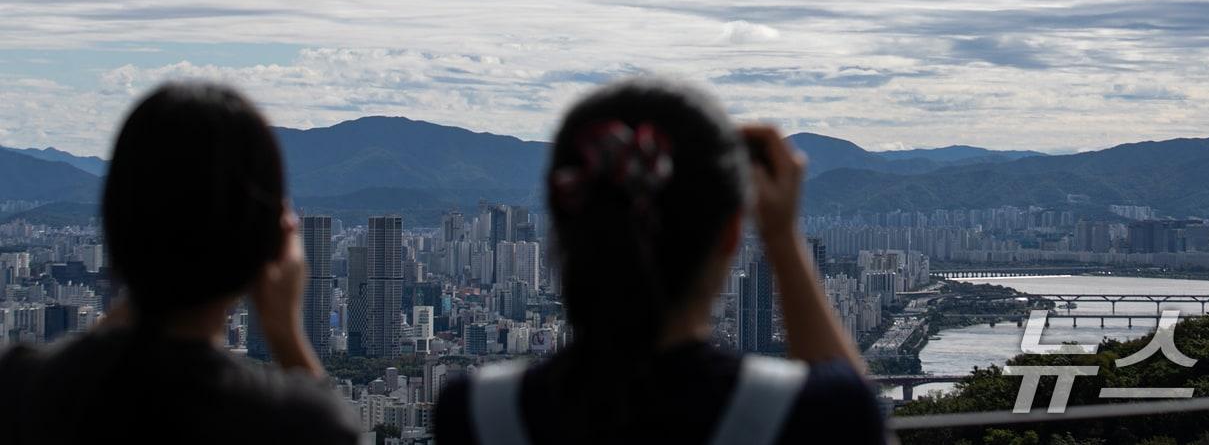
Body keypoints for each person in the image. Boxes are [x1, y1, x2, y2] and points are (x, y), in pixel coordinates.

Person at [434, 77, 887, 445]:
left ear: (560, 227)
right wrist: (782, 237)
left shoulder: (473, 414)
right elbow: (857, 418)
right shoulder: (810, 414)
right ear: (731, 234)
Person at [0, 82, 359, 445]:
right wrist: (285, 330)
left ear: (114, 220)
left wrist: (141, 283)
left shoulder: (19, 389)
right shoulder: (294, 422)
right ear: (267, 243)